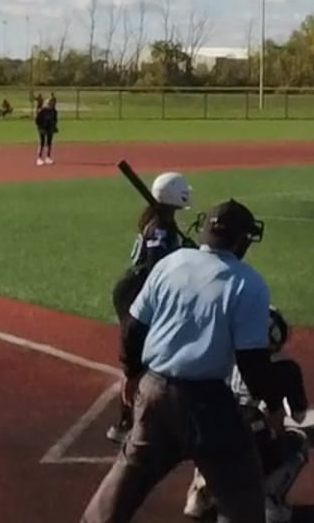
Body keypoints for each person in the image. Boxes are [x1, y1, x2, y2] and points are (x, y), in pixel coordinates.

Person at [80, 199, 276, 523]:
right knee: (240, 490)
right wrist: (268, 400)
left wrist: (131, 373)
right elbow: (251, 360)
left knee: (128, 477)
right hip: (208, 403)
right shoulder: (247, 282)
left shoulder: (170, 263)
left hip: (154, 390)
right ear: (241, 241)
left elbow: (133, 328)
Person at [183, 306, 312, 522]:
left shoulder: (217, 355)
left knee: (210, 426)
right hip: (250, 439)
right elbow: (298, 416)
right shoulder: (285, 367)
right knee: (298, 442)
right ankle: (269, 499)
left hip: (206, 439)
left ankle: (201, 491)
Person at [106, 171, 196, 443]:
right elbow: (158, 266)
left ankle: (144, 416)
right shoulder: (160, 228)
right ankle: (125, 421)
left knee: (149, 352)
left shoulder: (163, 223)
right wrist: (184, 255)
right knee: (138, 356)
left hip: (140, 289)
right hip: (135, 292)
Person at [35, 93, 60, 166]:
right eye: (50, 103)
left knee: (49, 142)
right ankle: (39, 158)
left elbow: (55, 119)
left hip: (50, 127)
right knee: (42, 142)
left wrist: (53, 126)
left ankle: (48, 157)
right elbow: (38, 120)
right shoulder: (42, 111)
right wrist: (41, 127)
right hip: (42, 127)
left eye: (52, 102)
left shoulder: (53, 111)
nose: (51, 104)